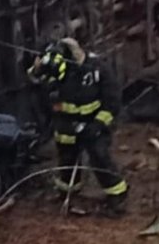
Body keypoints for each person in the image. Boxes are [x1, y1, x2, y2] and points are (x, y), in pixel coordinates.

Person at [28, 38, 128, 217]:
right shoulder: (58, 68)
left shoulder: (96, 69)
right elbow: (37, 79)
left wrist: (98, 124)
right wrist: (36, 69)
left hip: (93, 123)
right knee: (66, 160)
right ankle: (67, 192)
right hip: (65, 124)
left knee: (99, 157)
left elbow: (112, 102)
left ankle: (117, 196)